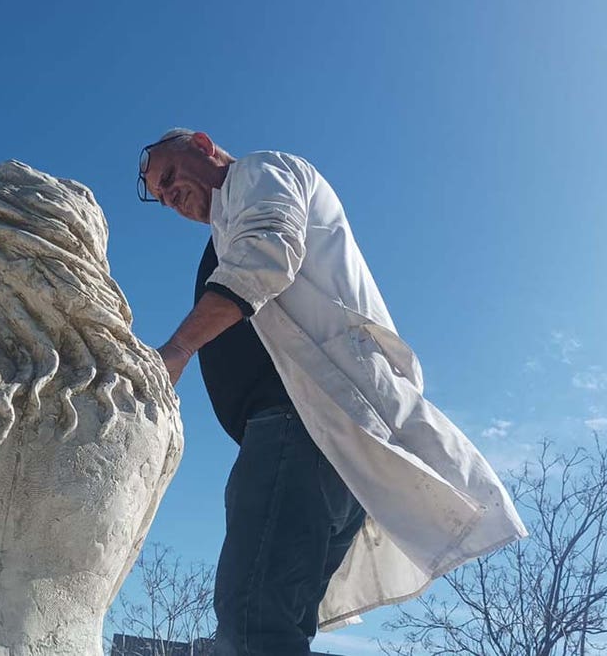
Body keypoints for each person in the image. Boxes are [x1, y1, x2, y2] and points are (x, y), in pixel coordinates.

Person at [139, 128, 528, 656]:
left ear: (203, 146)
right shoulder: (230, 223)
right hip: (316, 441)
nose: (170, 198)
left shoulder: (258, 173)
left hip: (301, 424)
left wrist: (176, 351)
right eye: (161, 199)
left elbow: (268, 251)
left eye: (168, 178)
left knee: (254, 615)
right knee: (278, 617)